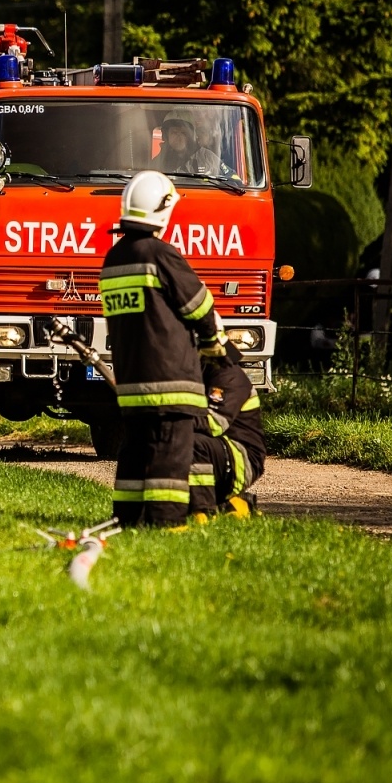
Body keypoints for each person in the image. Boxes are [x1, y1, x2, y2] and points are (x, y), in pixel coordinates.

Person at [97, 170, 223, 527]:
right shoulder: (161, 254)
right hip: (170, 381)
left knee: (135, 451)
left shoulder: (113, 259)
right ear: (163, 210)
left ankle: (128, 518)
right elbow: (198, 306)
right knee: (171, 452)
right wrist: (217, 346)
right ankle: (168, 524)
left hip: (132, 383)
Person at [190, 336, 266, 519]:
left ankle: (202, 513)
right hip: (220, 452)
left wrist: (170, 421)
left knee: (192, 444)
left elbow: (214, 423)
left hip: (242, 458)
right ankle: (231, 505)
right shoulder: (199, 372)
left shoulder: (228, 375)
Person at [152, 116, 224, 177]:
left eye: (183, 133)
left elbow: (231, 180)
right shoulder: (159, 161)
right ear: (166, 136)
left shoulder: (209, 158)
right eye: (174, 132)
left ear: (191, 136)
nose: (178, 136)